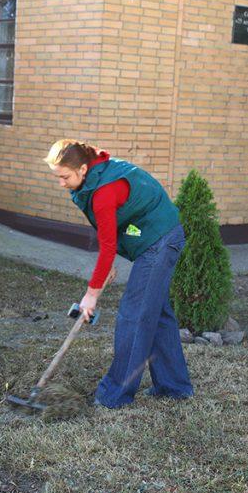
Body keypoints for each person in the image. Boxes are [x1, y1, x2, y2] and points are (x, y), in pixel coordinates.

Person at [44, 139, 193, 408]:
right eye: (58, 177)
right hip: (157, 235)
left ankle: (115, 394)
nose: (61, 184)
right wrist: (107, 263)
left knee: (134, 314)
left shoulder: (103, 190)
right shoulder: (95, 177)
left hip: (159, 240)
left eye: (65, 177)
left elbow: (108, 242)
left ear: (83, 169)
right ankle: (175, 386)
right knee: (156, 313)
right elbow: (108, 228)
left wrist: (91, 295)